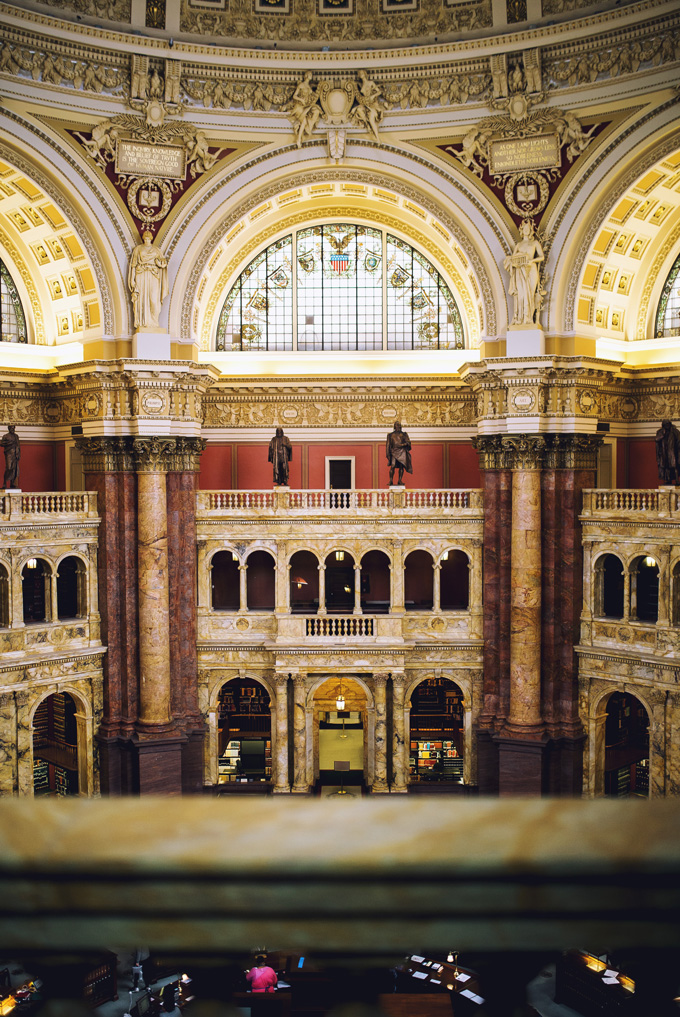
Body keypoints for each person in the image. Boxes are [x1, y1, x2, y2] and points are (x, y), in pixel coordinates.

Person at [503, 218, 544, 326]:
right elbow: (512, 258)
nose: (526, 230)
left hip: (531, 270)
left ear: (531, 230)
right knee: (521, 295)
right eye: (524, 228)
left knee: (529, 293)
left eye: (528, 228)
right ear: (522, 230)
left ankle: (528, 318)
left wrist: (532, 261)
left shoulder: (534, 243)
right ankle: (520, 318)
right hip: (519, 271)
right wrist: (512, 261)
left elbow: (542, 257)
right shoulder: (519, 245)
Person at [128, 230, 169, 329]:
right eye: (145, 238)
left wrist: (160, 263)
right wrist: (132, 280)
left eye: (148, 238)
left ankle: (154, 322)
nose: (146, 240)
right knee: (142, 300)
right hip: (141, 275)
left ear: (151, 239)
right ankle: (143, 322)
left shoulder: (156, 250)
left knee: (154, 299)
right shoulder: (138, 249)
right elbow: (133, 265)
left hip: (153, 275)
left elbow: (163, 263)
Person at [386, 421, 412, 486]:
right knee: (393, 466)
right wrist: (387, 454)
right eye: (397, 425)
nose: (398, 426)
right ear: (394, 426)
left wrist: (402, 444)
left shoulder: (404, 434)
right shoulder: (390, 435)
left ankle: (400, 480)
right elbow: (388, 445)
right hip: (394, 451)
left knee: (401, 466)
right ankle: (391, 480)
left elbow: (408, 443)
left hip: (402, 451)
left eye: (399, 425)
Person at [655, 419, 680, 485]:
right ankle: (668, 480)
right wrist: (662, 434)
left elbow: (678, 442)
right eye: (665, 424)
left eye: (668, 424)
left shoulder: (675, 432)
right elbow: (657, 440)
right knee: (666, 467)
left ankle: (677, 480)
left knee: (675, 466)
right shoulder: (660, 432)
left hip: (673, 452)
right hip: (664, 453)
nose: (667, 426)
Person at [1, 424, 20, 489]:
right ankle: (4, 483)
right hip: (8, 453)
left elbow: (18, 446)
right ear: (9, 429)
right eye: (11, 428)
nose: (13, 429)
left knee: (14, 469)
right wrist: (9, 443)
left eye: (13, 428)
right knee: (9, 468)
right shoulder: (5, 436)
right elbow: (1, 443)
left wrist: (18, 454)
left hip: (15, 454)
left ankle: (13, 484)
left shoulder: (16, 436)